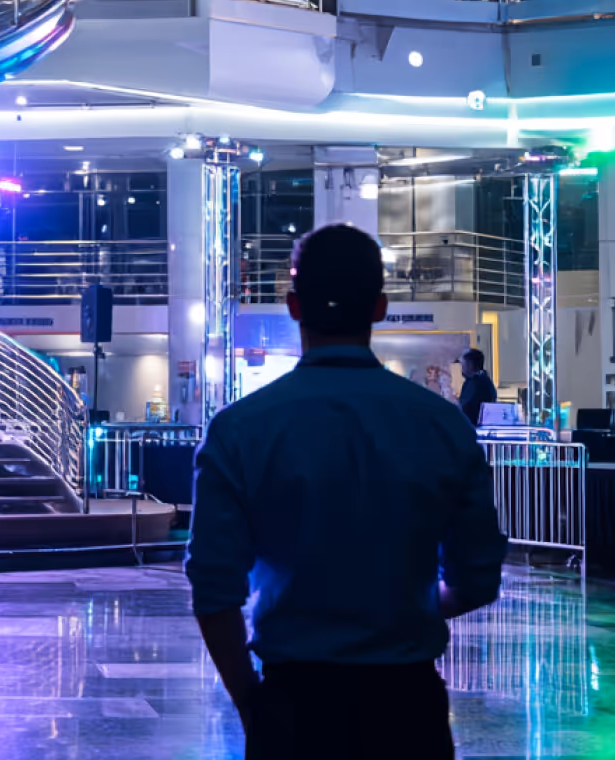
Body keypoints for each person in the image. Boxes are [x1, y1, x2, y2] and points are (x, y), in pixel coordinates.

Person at [185, 224, 507, 759]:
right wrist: (401, 608)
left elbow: (213, 591)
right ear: (379, 307)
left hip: (296, 705)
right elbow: (477, 580)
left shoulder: (240, 429)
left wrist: (252, 706)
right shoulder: (442, 425)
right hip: (408, 709)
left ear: (293, 306)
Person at [457, 347, 497, 427]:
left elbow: (466, 407)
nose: (462, 369)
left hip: (473, 428)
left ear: (470, 364)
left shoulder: (476, 383)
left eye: (463, 365)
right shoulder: (484, 380)